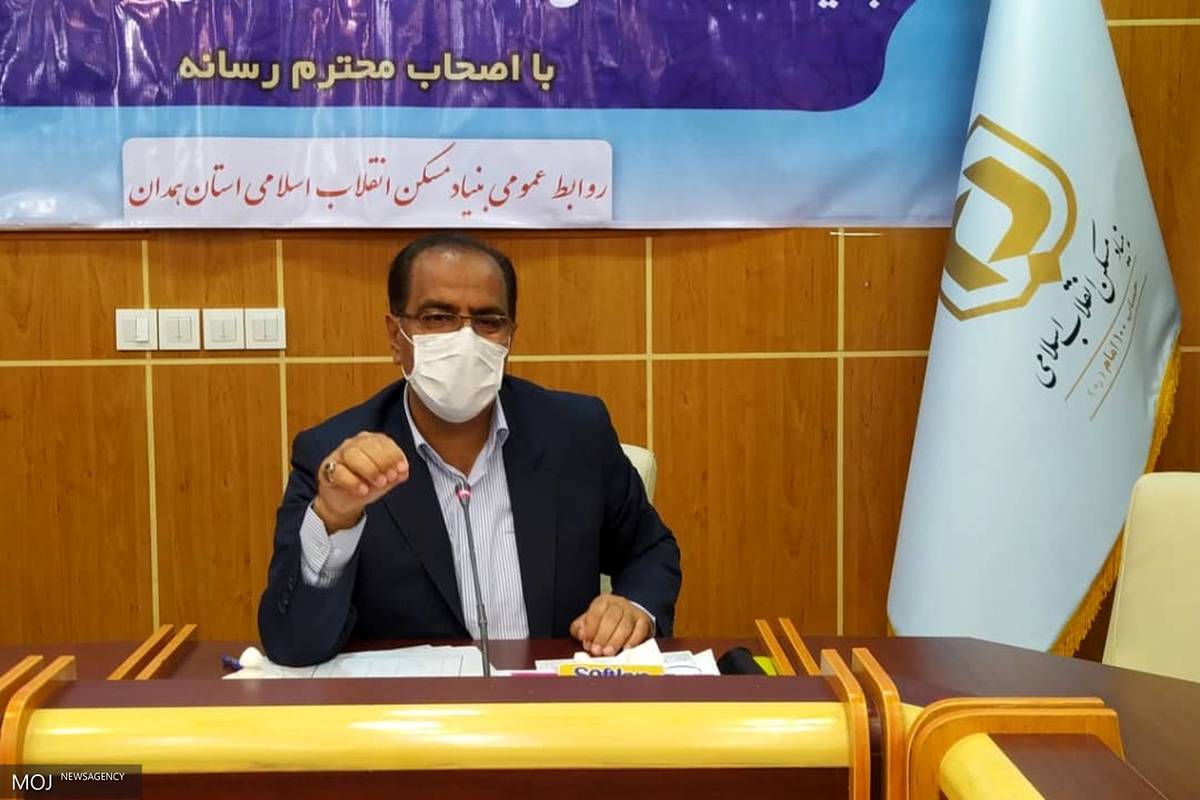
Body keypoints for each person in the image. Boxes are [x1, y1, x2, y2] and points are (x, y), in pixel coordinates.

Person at [258, 232, 682, 666]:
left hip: (548, 697)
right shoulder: (336, 459)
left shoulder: (575, 434)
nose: (465, 338)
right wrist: (334, 520)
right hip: (413, 705)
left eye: (488, 321)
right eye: (437, 318)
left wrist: (635, 607)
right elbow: (293, 644)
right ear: (395, 335)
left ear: (510, 337)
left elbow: (649, 550)